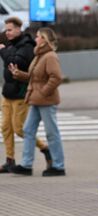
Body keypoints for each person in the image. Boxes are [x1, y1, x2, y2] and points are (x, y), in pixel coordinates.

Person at [9, 27, 65, 176]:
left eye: (38, 37)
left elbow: (56, 77)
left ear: (44, 40)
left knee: (51, 133)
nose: (35, 39)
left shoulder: (50, 56)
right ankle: (26, 165)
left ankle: (58, 166)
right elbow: (35, 77)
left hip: (46, 101)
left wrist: (44, 92)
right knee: (28, 130)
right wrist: (19, 74)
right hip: (35, 100)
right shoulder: (39, 55)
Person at [0, 17, 51, 173]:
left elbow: (15, 63)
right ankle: (10, 160)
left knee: (20, 129)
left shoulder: (26, 46)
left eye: (9, 30)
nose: (6, 33)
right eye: (5, 30)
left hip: (20, 95)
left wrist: (3, 51)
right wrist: (6, 50)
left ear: (18, 29)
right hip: (8, 93)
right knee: (5, 128)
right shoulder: (12, 45)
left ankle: (45, 148)